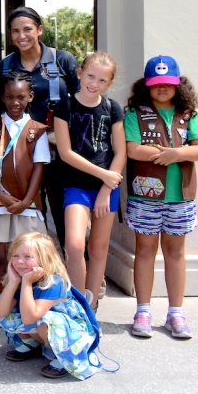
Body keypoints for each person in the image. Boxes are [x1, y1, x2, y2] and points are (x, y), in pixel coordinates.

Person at [125, 55, 198, 339]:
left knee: (175, 253)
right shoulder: (135, 113)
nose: (162, 88)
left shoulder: (189, 114)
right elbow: (133, 149)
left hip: (180, 197)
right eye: (156, 84)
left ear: (178, 85)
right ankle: (143, 310)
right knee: (145, 251)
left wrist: (178, 153)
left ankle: (176, 313)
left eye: (168, 84)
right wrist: (170, 153)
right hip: (145, 195)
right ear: (146, 86)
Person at [0, 6, 79, 250]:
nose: (22, 36)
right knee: (28, 215)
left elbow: (82, 100)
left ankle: (77, 273)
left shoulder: (62, 60)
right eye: (16, 31)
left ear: (39, 30)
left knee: (65, 213)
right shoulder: (6, 66)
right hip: (21, 150)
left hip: (57, 146)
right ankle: (30, 274)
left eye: (27, 29)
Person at [0, 71, 50, 329]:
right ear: (2, 97)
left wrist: (25, 200)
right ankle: (0, 304)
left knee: (31, 255)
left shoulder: (37, 130)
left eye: (20, 97)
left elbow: (40, 168)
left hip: (27, 203)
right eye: (9, 97)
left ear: (30, 96)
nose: (15, 102)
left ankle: (25, 303)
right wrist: (1, 196)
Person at [54, 52, 125, 310]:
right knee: (74, 245)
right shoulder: (65, 106)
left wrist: (107, 187)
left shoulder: (112, 108)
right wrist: (103, 174)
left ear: (110, 83)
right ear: (80, 72)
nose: (94, 83)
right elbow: (66, 153)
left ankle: (91, 306)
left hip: (107, 189)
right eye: (91, 76)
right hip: (77, 186)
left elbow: (120, 152)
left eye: (102, 80)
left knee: (98, 248)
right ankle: (77, 303)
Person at [0, 231, 102, 380]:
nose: (19, 261)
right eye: (15, 256)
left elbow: (30, 318)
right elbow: (0, 312)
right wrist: (13, 282)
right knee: (8, 310)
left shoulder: (54, 283)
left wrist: (26, 283)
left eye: (27, 257)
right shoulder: (19, 278)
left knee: (46, 321)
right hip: (42, 326)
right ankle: (33, 345)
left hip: (72, 336)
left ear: (44, 259)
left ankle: (62, 358)